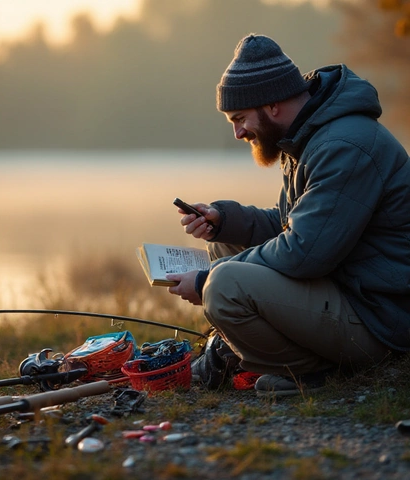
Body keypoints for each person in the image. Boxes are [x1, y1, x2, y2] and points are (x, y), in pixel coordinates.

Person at [166, 33, 410, 396]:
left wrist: (205, 281)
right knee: (226, 247)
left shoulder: (343, 146)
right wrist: (225, 221)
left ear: (272, 104)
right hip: (349, 290)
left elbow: (304, 253)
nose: (237, 133)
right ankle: (238, 350)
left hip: (381, 322)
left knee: (223, 287)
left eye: (240, 118)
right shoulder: (308, 137)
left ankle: (314, 371)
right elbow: (288, 223)